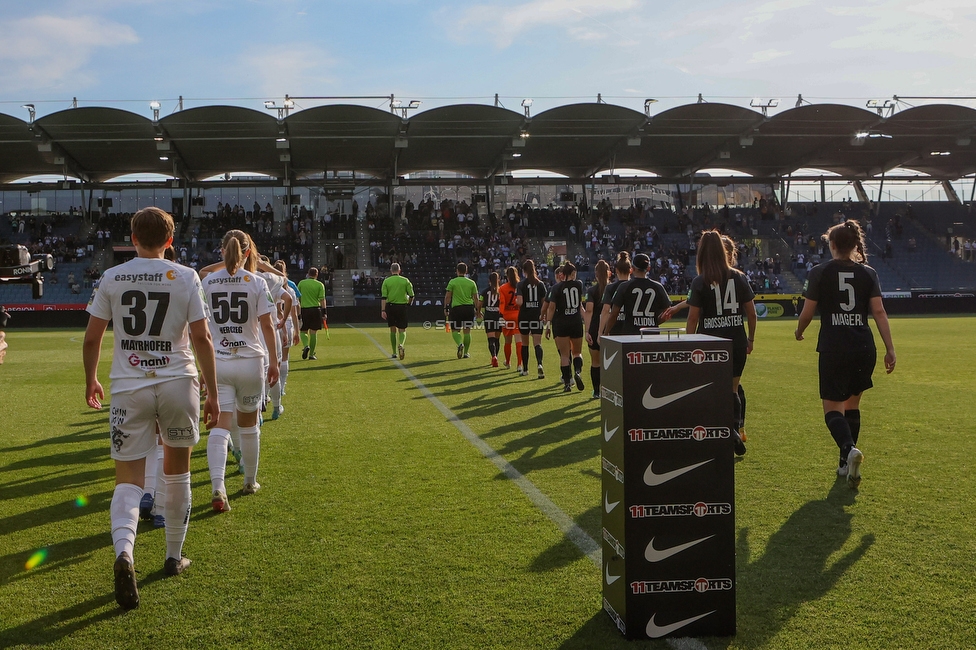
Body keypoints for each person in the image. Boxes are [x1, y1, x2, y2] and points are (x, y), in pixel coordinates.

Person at [83, 207, 219, 610]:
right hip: (178, 382)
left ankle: (125, 551)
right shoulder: (187, 276)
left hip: (129, 386)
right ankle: (173, 557)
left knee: (128, 479)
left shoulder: (112, 276)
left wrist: (91, 379)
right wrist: (211, 390)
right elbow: (202, 339)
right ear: (170, 240)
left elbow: (92, 338)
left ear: (132, 237)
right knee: (176, 472)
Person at [795, 220, 896, 488]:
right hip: (864, 347)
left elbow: (807, 312)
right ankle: (844, 463)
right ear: (854, 245)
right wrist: (890, 348)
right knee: (852, 406)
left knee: (832, 410)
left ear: (832, 245)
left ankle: (849, 449)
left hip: (834, 347)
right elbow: (879, 312)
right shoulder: (869, 273)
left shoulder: (819, 272)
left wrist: (799, 330)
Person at [201, 230, 279, 513]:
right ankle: (249, 481)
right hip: (250, 362)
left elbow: (200, 330)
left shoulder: (207, 282)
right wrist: (273, 362)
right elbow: (268, 326)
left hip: (219, 361)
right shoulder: (257, 282)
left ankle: (217, 486)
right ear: (248, 253)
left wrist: (202, 368)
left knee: (220, 427)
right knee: (249, 426)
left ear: (222, 251)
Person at [684, 230, 755, 456]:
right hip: (736, 340)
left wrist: (689, 343)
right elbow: (751, 314)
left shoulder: (699, 281)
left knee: (712, 390)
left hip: (709, 344)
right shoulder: (739, 277)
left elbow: (693, 317)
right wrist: (751, 338)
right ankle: (734, 429)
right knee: (733, 389)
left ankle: (719, 431)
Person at [604, 253, 671, 335]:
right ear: (648, 268)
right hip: (651, 335)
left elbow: (614, 314)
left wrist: (605, 333)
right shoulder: (658, 287)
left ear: (632, 269)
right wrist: (655, 322)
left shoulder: (624, 286)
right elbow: (668, 312)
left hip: (631, 334)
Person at [546, 262, 585, 392]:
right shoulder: (578, 284)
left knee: (564, 355)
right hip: (575, 322)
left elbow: (551, 308)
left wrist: (547, 325)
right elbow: (579, 305)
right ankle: (578, 372)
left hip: (561, 323)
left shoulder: (556, 288)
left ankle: (567, 383)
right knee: (577, 352)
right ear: (573, 274)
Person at [583, 260, 610, 398]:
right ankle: (609, 391)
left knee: (595, 362)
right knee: (611, 362)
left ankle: (596, 391)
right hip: (610, 328)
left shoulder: (592, 291)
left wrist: (587, 331)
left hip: (594, 328)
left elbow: (589, 311)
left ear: (596, 274)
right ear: (608, 273)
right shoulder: (613, 289)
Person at [517, 259, 547, 378]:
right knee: (537, 343)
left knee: (525, 343)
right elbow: (544, 302)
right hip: (537, 316)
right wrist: (543, 315)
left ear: (524, 271)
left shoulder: (521, 284)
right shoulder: (540, 284)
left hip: (524, 316)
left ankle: (525, 369)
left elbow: (519, 302)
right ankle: (539, 364)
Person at [444, 262, 481, 359]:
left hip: (457, 308)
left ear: (457, 271)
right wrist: (478, 310)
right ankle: (466, 353)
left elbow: (448, 296)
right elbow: (476, 298)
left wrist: (446, 308)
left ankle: (460, 343)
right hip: (469, 308)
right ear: (466, 271)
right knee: (467, 331)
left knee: (455, 330)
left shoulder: (453, 282)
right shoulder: (471, 283)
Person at [381, 262, 414, 360]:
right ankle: (401, 344)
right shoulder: (405, 280)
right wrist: (408, 303)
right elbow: (412, 295)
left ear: (391, 271)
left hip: (390, 307)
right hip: (402, 306)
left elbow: (383, 297)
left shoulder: (386, 281)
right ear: (399, 270)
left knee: (392, 329)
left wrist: (383, 310)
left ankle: (394, 352)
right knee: (402, 329)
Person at [598, 251, 633, 338]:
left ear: (616, 270)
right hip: (632, 329)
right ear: (630, 270)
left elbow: (605, 310)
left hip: (615, 329)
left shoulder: (610, 288)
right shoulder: (635, 286)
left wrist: (600, 332)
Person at [297, 267, 327, 361]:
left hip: (304, 309)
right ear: (316, 274)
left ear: (308, 274)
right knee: (313, 332)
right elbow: (322, 299)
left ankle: (306, 345)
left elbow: (297, 298)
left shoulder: (301, 283)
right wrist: (324, 312)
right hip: (315, 309)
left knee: (303, 331)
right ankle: (311, 354)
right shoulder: (320, 285)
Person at [498, 266, 522, 370]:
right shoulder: (520, 286)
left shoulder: (502, 288)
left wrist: (501, 315)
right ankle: (519, 365)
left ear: (507, 275)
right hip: (518, 315)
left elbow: (502, 303)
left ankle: (508, 362)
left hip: (507, 316)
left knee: (507, 341)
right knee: (519, 341)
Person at [481, 271, 502, 367]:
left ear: (489, 280)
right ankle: (496, 356)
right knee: (497, 339)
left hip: (489, 316)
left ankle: (493, 356)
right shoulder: (501, 291)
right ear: (498, 280)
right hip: (499, 317)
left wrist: (478, 312)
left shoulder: (485, 292)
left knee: (491, 339)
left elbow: (479, 303)